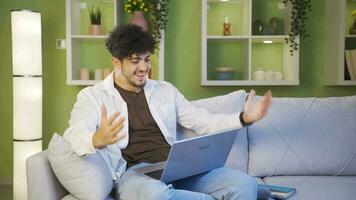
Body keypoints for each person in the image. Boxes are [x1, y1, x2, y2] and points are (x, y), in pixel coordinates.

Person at [63, 24, 272, 200]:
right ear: (116, 62)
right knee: (158, 196)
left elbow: (203, 121)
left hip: (175, 167)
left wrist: (243, 118)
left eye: (147, 59)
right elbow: (74, 133)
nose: (144, 67)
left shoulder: (165, 90)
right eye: (135, 61)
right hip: (134, 175)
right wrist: (96, 139)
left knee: (244, 184)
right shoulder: (93, 96)